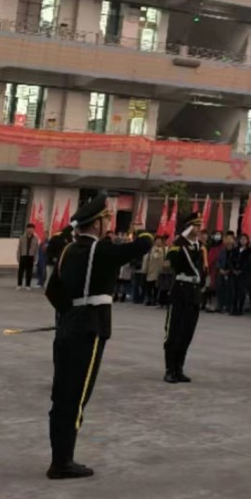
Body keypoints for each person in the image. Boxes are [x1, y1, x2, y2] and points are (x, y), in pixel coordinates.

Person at [44, 194, 152, 479]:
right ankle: (62, 463)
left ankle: (59, 458)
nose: (109, 225)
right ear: (97, 224)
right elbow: (144, 244)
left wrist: (69, 312)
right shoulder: (100, 250)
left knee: (62, 394)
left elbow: (52, 291)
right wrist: (141, 229)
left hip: (68, 327)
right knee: (77, 396)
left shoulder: (68, 250)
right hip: (89, 328)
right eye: (106, 220)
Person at [163, 212, 207, 384]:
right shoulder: (178, 245)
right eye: (195, 225)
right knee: (174, 332)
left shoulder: (201, 247)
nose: (198, 228)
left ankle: (179, 368)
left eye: (199, 225)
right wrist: (180, 239)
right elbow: (170, 263)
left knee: (187, 333)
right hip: (180, 291)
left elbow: (203, 269)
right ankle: (169, 369)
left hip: (194, 293)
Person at [231, 232, 251, 316]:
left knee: (241, 292)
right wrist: (233, 269)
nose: (243, 241)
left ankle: (240, 308)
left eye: (245, 239)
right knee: (234, 291)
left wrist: (241, 270)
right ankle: (234, 308)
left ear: (247, 241)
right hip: (234, 273)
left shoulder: (250, 251)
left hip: (244, 273)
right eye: (241, 239)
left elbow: (249, 263)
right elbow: (230, 260)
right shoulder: (235, 250)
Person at [143, 236, 166, 307]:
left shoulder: (164, 250)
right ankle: (148, 299)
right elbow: (146, 260)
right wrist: (144, 270)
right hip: (151, 271)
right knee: (149, 286)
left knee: (157, 287)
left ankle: (155, 299)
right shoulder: (150, 250)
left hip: (159, 272)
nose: (158, 242)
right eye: (157, 240)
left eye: (160, 241)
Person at [17, 223, 40, 290]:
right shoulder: (22, 237)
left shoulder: (35, 238)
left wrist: (35, 258)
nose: (30, 230)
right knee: (21, 271)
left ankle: (28, 285)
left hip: (31, 256)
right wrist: (18, 257)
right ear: (27, 229)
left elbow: (36, 249)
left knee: (29, 272)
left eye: (32, 229)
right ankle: (19, 284)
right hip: (23, 256)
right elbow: (19, 248)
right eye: (29, 228)